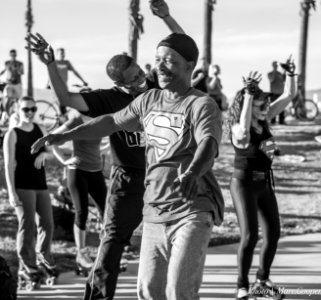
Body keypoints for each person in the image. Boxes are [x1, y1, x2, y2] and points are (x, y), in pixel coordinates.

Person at [31, 32, 224, 300]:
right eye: (157, 60)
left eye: (168, 61)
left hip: (192, 206)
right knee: (146, 289)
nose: (158, 68)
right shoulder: (142, 100)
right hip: (149, 202)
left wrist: (193, 170)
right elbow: (109, 121)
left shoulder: (199, 103)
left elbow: (209, 143)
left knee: (178, 291)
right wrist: (62, 136)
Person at [227, 60, 296, 300]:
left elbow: (289, 95)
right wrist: (248, 94)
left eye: (267, 103)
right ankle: (241, 286)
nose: (266, 107)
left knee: (273, 234)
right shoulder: (238, 129)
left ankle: (262, 280)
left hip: (265, 183)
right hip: (243, 184)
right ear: (248, 105)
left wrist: (290, 73)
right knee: (249, 236)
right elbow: (244, 132)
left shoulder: (265, 119)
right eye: (261, 104)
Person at [3, 96, 56, 285]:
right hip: (22, 186)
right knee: (27, 227)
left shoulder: (40, 129)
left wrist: (44, 153)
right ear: (18, 110)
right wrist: (11, 192)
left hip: (41, 184)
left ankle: (44, 261)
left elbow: (50, 151)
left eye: (33, 109)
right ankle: (28, 267)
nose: (30, 113)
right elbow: (8, 165)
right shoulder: (13, 133)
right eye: (26, 109)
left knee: (47, 225)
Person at [52, 113, 107, 271]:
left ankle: (105, 252)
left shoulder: (101, 120)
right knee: (82, 212)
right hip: (77, 172)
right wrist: (64, 160)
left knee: (106, 212)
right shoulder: (76, 121)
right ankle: (81, 254)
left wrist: (107, 147)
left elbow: (97, 145)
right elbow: (51, 139)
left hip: (96, 171)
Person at [48, 47, 88, 115]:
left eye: (64, 53)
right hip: (55, 86)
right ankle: (62, 120)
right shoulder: (55, 63)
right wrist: (48, 84)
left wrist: (83, 81)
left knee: (64, 106)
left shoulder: (66, 62)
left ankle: (62, 118)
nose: (63, 54)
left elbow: (74, 72)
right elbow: (51, 73)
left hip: (64, 86)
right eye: (61, 53)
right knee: (61, 105)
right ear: (57, 54)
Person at [0, 49, 24, 121]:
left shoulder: (20, 63)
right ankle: (7, 116)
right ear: (10, 55)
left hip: (17, 84)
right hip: (9, 84)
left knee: (18, 101)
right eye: (12, 55)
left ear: (16, 55)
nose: (13, 56)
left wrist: (17, 69)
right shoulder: (7, 63)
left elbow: (21, 73)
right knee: (8, 99)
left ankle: (19, 116)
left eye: (14, 54)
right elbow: (4, 70)